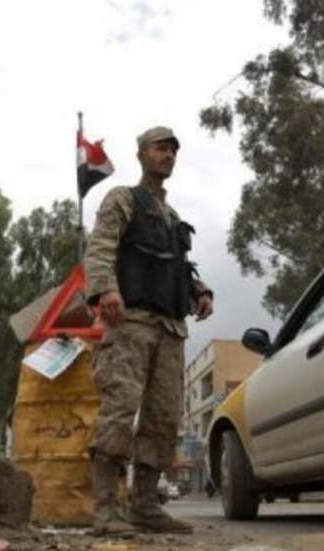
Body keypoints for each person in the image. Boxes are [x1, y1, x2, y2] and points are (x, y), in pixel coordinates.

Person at [84, 126, 214, 535]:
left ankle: (144, 506)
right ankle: (105, 509)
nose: (169, 155)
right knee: (120, 409)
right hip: (131, 323)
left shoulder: (172, 217)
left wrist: (200, 291)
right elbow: (101, 245)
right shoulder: (124, 198)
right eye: (161, 148)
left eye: (174, 150)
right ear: (142, 154)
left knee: (163, 418)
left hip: (171, 329)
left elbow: (176, 263)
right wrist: (106, 288)